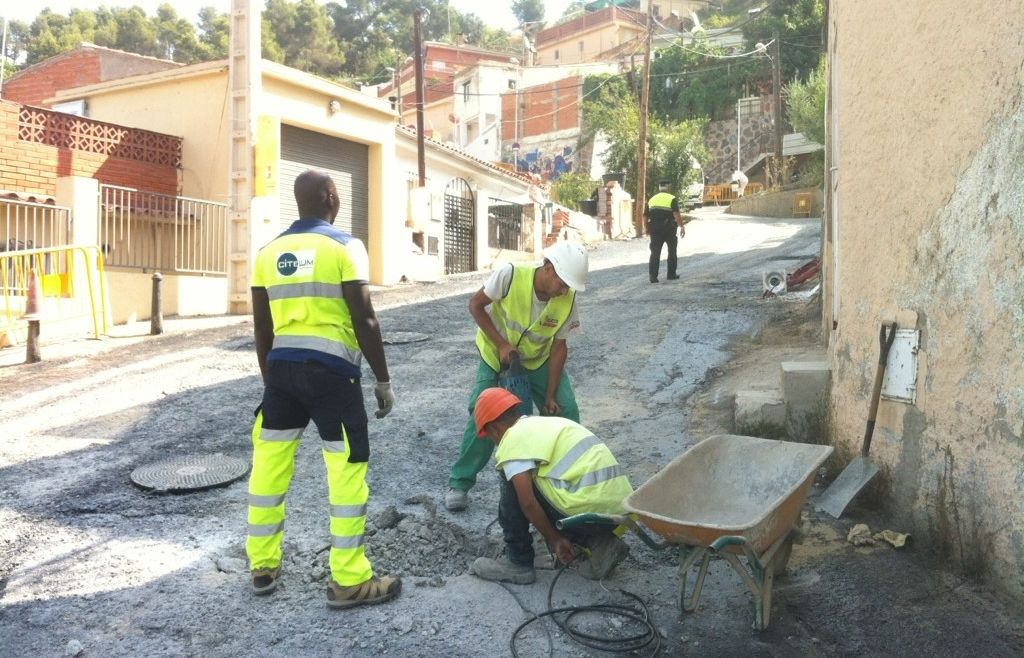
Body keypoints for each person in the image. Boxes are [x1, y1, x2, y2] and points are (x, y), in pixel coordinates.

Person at [246, 169, 401, 609]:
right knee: (346, 470)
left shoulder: (267, 253)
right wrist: (383, 380)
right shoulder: (345, 246)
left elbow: (261, 326)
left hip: (281, 372)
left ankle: (262, 565)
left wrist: (272, 379)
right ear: (331, 197)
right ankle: (349, 579)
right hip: (333, 375)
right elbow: (364, 318)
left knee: (269, 468)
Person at [444, 241, 589, 512]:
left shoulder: (567, 299)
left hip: (537, 360)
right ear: (548, 269)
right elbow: (476, 305)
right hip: (494, 355)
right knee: (484, 414)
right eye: (563, 283)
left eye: (570, 286)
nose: (565, 290)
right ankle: (460, 482)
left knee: (566, 411)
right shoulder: (510, 276)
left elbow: (559, 347)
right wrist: (500, 345)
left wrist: (550, 395)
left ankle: (567, 478)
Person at [469, 388, 632, 584]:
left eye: (489, 436)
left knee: (510, 478)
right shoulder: (544, 424)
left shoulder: (512, 440)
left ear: (493, 428)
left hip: (587, 508)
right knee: (544, 479)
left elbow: (528, 503)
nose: (494, 442)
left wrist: (554, 539)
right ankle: (600, 544)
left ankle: (517, 561)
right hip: (618, 511)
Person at [645, 179, 688, 283]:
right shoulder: (672, 198)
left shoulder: (652, 199)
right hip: (669, 228)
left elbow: (645, 216)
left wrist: (646, 228)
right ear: (669, 187)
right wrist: (681, 226)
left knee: (655, 252)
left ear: (659, 188)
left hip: (654, 228)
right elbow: (676, 214)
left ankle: (653, 276)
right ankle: (671, 274)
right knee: (672, 251)